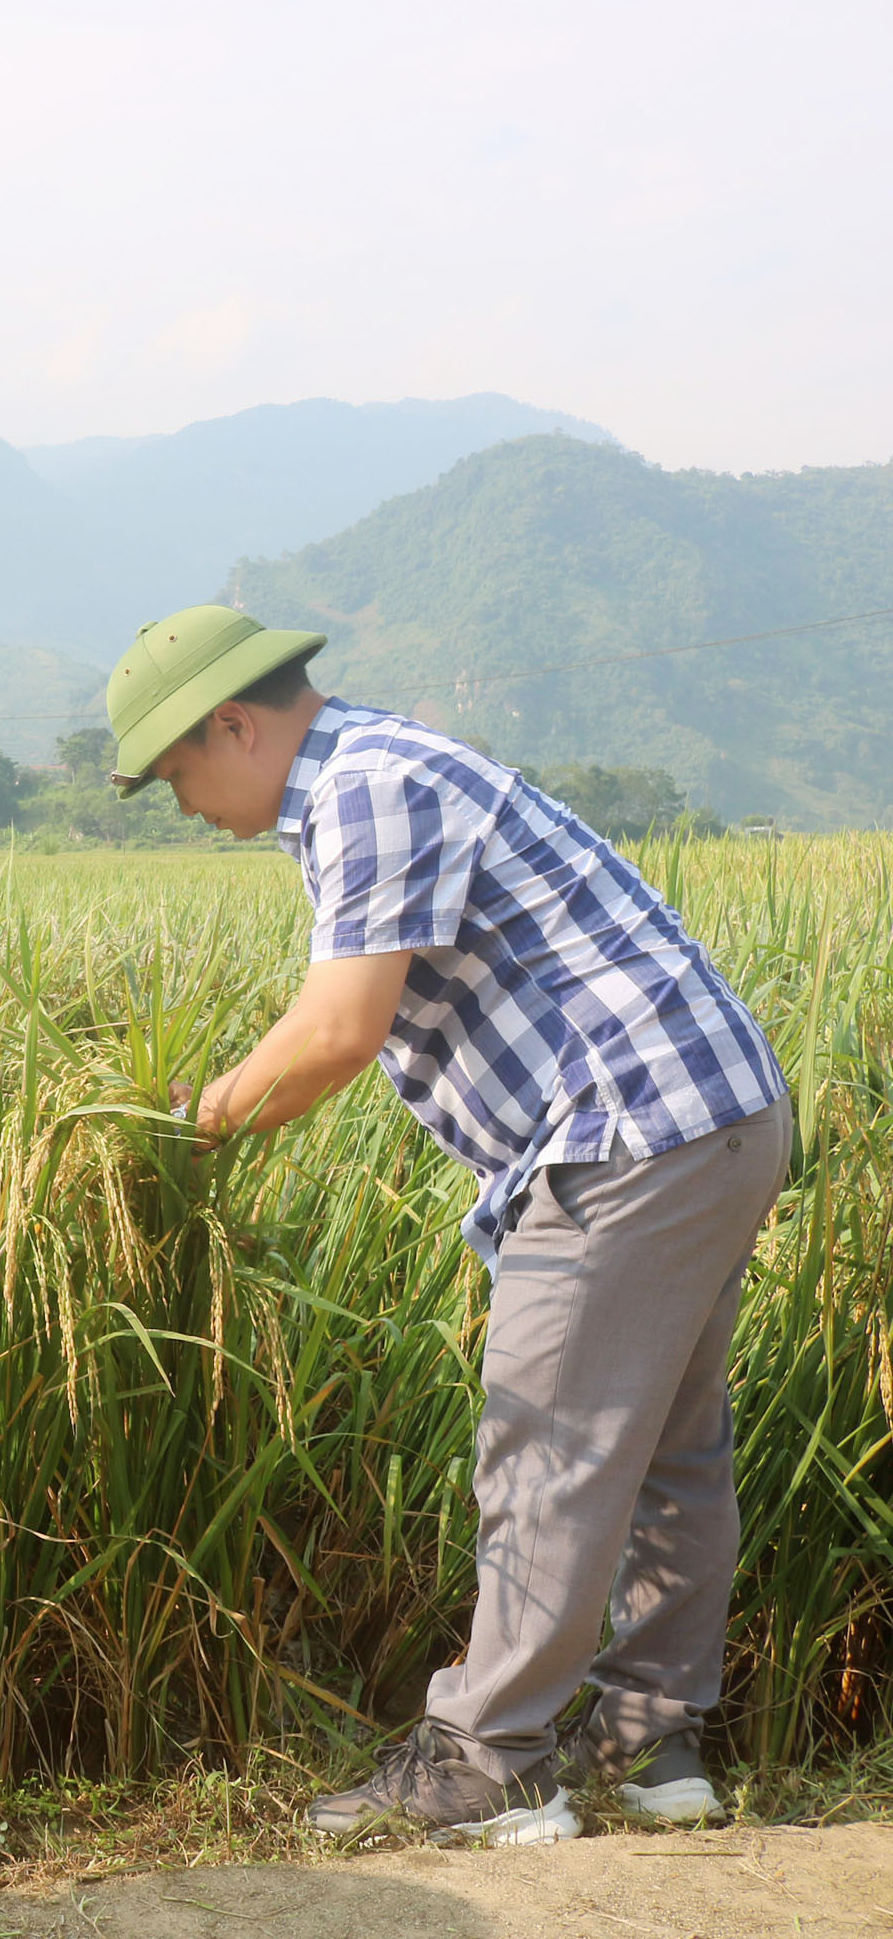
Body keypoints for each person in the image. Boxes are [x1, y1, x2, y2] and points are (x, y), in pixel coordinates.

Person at [107, 604, 788, 1847]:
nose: (184, 803)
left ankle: (488, 1760)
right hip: (713, 1112)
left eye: (177, 773)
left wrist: (179, 1127)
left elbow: (336, 1029)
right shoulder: (380, 767)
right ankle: (652, 1740)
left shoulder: (365, 785)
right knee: (669, 1450)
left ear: (236, 725)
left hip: (625, 1131)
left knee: (545, 1438)